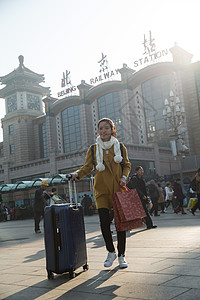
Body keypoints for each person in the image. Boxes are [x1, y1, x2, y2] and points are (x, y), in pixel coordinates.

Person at [70, 118, 131, 269]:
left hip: (117, 189)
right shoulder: (93, 149)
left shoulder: (120, 147)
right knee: (104, 222)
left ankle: (121, 255)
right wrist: (76, 174)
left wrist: (124, 177)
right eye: (100, 128)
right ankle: (111, 252)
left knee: (120, 225)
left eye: (106, 128)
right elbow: (87, 167)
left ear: (112, 129)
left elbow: (127, 165)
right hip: (102, 191)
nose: (103, 131)